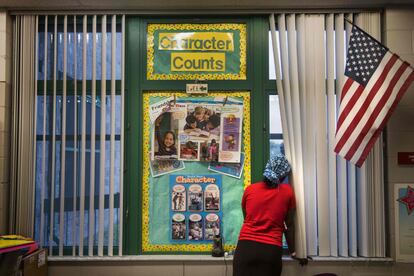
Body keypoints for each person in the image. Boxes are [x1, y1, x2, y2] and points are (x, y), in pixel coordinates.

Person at [233, 154, 296, 276]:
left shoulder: (250, 190)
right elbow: (289, 225)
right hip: (271, 250)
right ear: (282, 176)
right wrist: (293, 252)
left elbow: (246, 218)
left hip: (245, 248)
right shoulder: (287, 192)